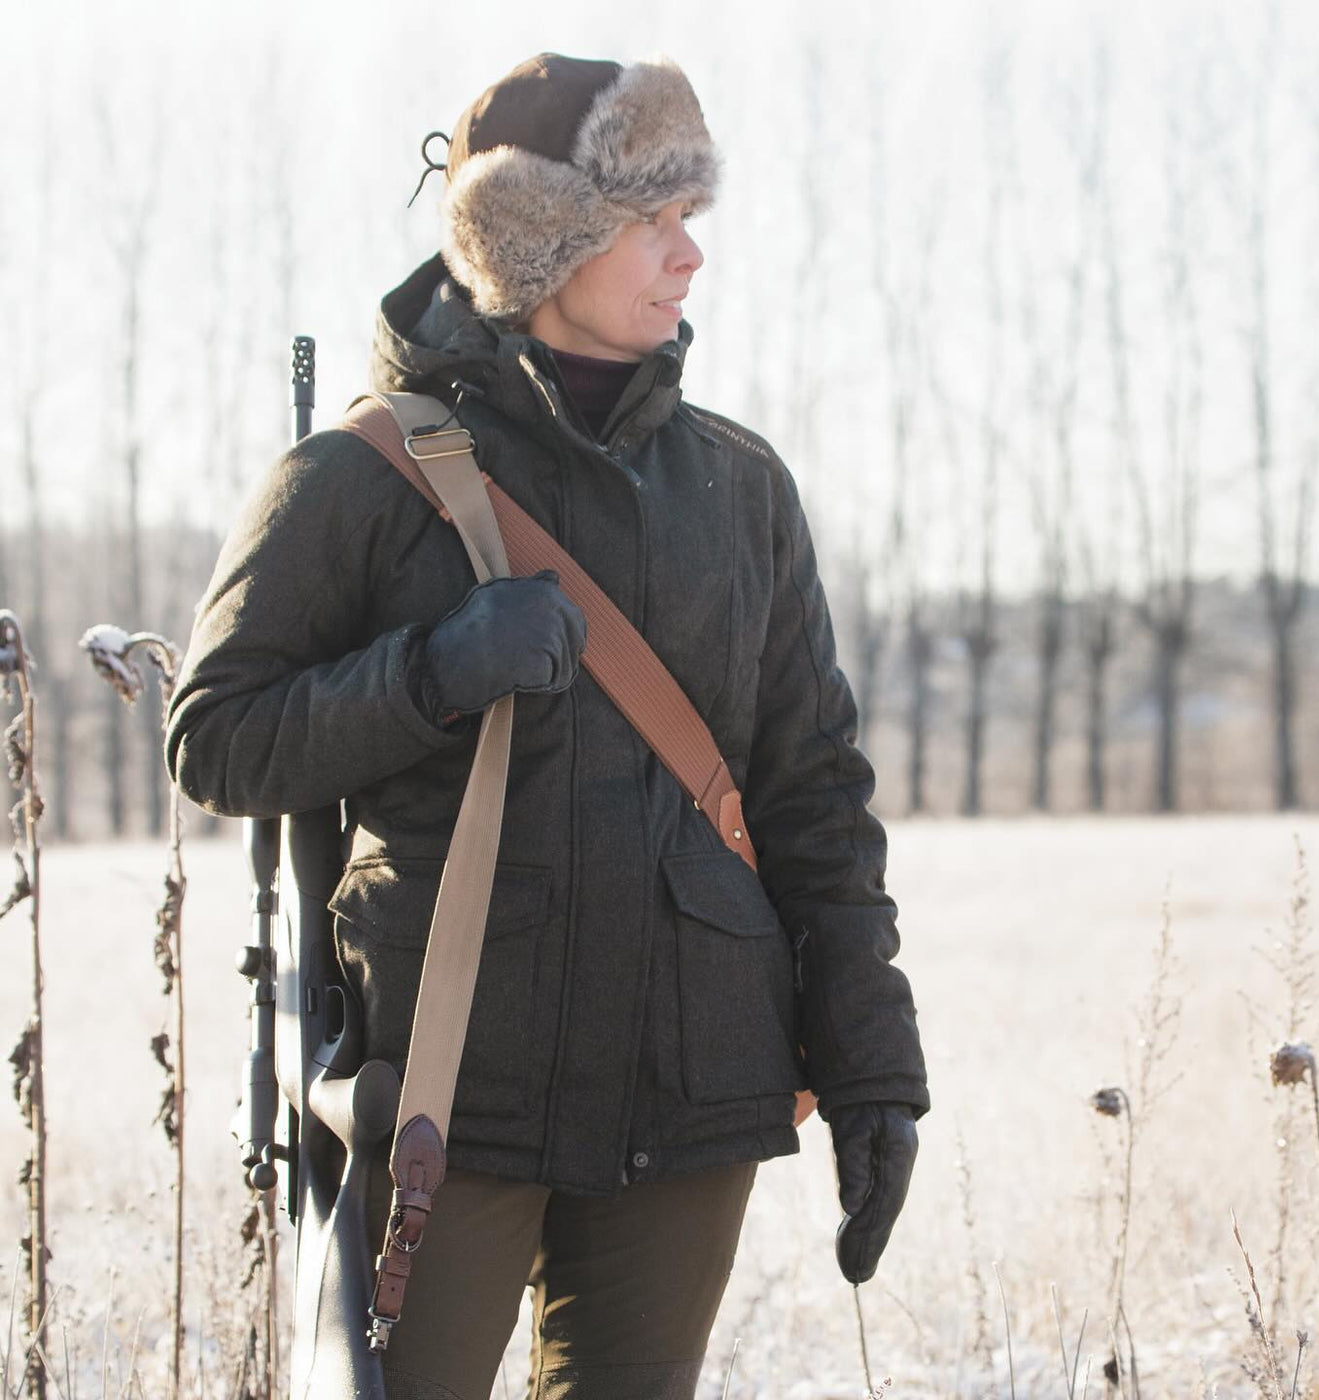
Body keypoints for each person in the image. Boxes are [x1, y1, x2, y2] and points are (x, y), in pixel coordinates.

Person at [166, 51, 929, 1400]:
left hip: (691, 1100)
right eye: (656, 221)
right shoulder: (357, 477)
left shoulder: (741, 488)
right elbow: (216, 738)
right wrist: (430, 672)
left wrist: (874, 1071)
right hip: (442, 1107)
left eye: (691, 218)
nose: (691, 256)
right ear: (539, 240)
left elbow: (811, 791)